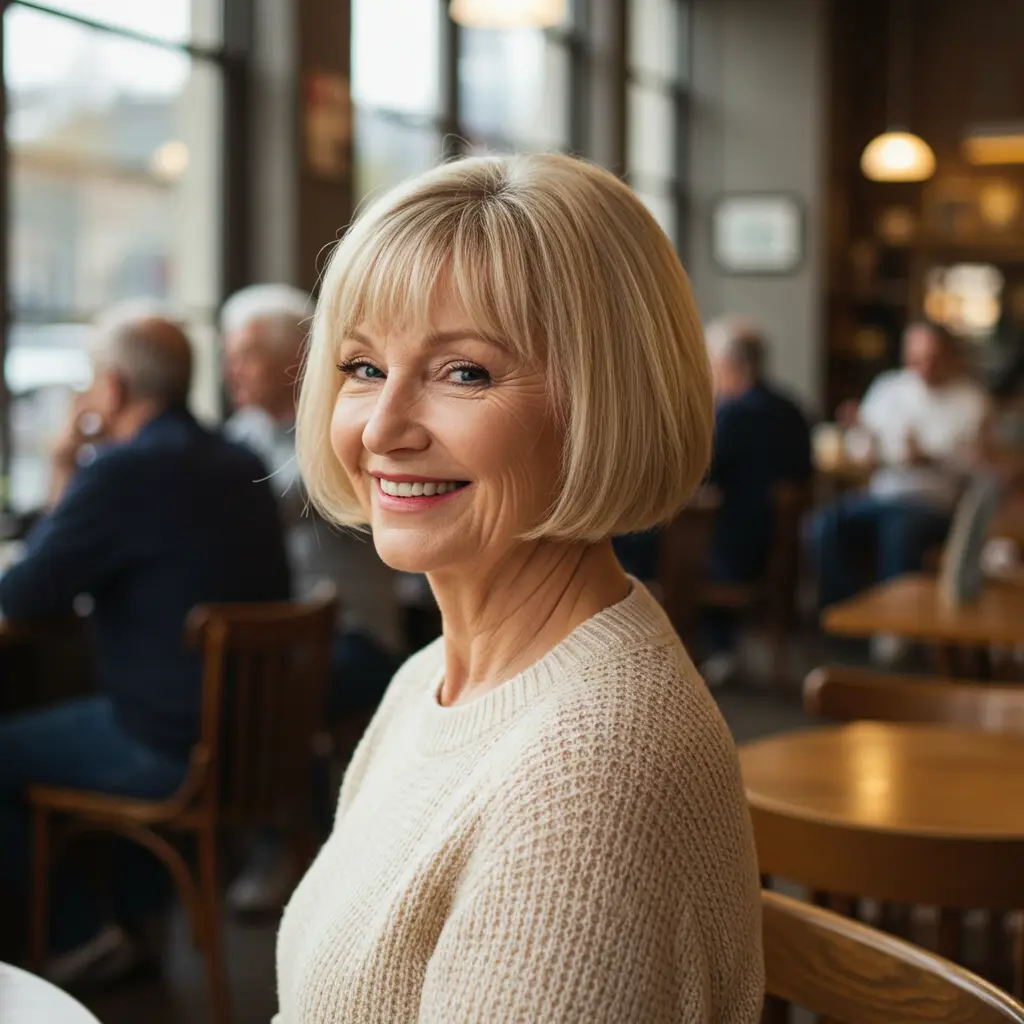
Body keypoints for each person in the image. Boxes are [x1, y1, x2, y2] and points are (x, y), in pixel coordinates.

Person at [275, 154, 763, 1023]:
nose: (383, 428)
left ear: (608, 401)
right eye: (362, 367)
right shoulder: (428, 680)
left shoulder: (590, 778)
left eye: (464, 372)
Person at [0, 305, 291, 982]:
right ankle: (142, 924)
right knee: (123, 698)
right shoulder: (240, 459)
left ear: (112, 388)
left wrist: (62, 460)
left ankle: (80, 935)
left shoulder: (119, 473)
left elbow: (23, 595)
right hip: (252, 742)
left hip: (171, 750)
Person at [220, 284, 403, 913]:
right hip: (277, 637)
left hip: (357, 639)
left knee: (266, 697)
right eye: (228, 353)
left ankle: (302, 854)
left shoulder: (336, 427)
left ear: (296, 359)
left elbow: (273, 508)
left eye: (246, 353)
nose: (231, 370)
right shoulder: (241, 432)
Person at [812, 322, 990, 627]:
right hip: (882, 494)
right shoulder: (888, 388)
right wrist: (862, 440)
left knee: (899, 531)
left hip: (933, 503)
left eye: (931, 357)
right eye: (916, 358)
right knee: (824, 525)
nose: (923, 366)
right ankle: (850, 612)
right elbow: (860, 451)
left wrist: (928, 458)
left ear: (947, 355)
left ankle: (893, 628)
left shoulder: (971, 399)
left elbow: (978, 465)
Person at [701, 317, 813, 686]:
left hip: (733, 550)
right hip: (779, 548)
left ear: (732, 366)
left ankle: (713, 650)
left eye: (712, 364)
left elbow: (700, 477)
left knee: (643, 544)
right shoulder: (792, 409)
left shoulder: (733, 414)